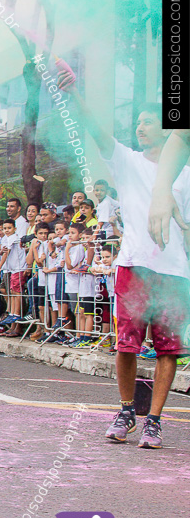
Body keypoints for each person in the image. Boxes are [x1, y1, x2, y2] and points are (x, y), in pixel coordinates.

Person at [64, 67, 189, 447]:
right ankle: (126, 411)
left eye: (148, 121)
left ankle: (154, 419)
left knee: (169, 350)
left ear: (169, 130)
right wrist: (73, 93)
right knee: (126, 345)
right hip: (133, 265)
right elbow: (97, 130)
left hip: (174, 273)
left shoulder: (184, 174)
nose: (140, 127)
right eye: (138, 121)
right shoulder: (127, 161)